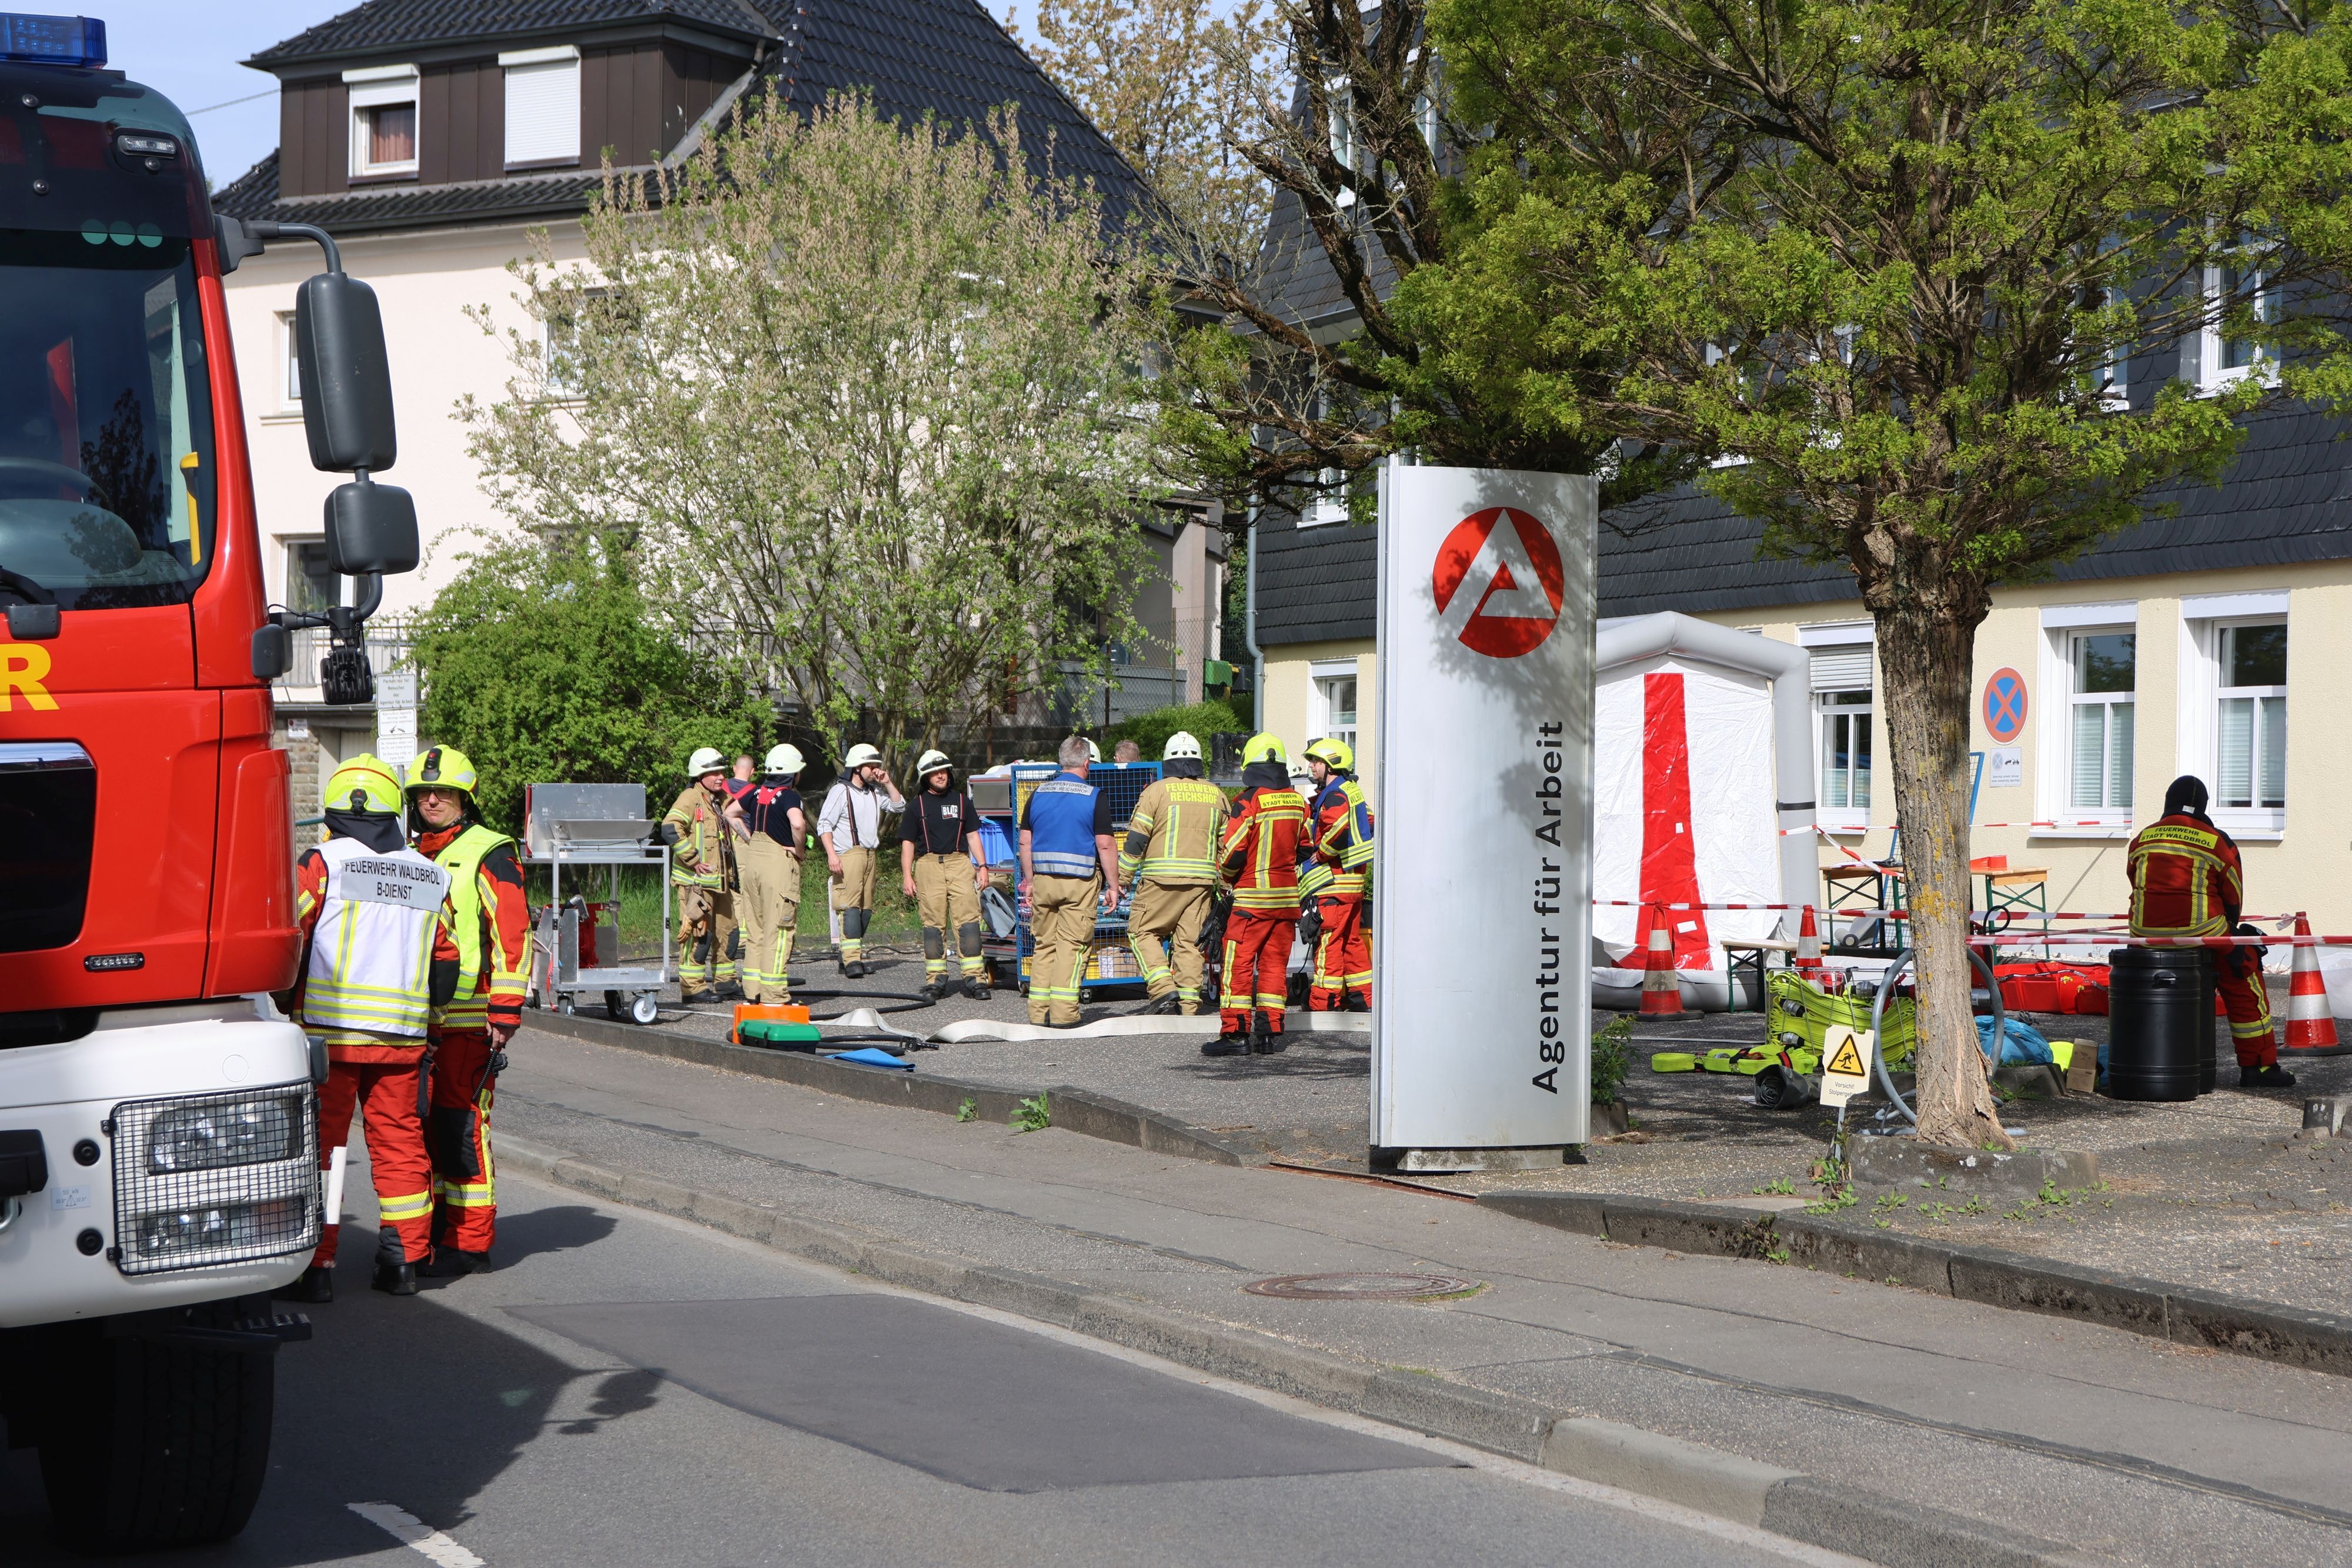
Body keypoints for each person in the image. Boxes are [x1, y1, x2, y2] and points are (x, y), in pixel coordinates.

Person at [278, 755, 452, 1302]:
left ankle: (317, 1268)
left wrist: (285, 1002)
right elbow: (445, 961)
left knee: (324, 1151)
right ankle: (402, 1263)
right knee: (400, 1146)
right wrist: (432, 1019)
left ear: (336, 809)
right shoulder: (429, 871)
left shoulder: (321, 862)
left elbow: (291, 938)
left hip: (328, 1040)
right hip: (402, 1037)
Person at [406, 745, 532, 1276]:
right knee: (425, 1127)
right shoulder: (411, 854)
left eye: (443, 792)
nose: (432, 799)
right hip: (418, 1022)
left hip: (468, 1019)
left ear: (464, 798)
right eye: (423, 793)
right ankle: (438, 1228)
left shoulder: (490, 851)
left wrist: (504, 1013)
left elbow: (513, 934)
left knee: (462, 1126)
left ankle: (470, 1241)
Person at [2128, 775, 2296, 1088]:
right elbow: (2233, 898)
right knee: (2244, 973)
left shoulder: (2142, 838)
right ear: (2204, 807)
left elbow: (2134, 880)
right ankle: (2258, 1067)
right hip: (2203, 932)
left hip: (2143, 934)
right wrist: (2232, 934)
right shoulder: (2217, 841)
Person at [1211, 733, 1309, 1056]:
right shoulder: (1299, 802)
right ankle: (1268, 1034)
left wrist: (1225, 879)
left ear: (1250, 765)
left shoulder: (1248, 801)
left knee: (1237, 965)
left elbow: (1233, 852)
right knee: (1273, 967)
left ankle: (1236, 1035)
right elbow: (1305, 847)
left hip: (1252, 902)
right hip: (1286, 902)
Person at [1119, 730, 1227, 1015]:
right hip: (1202, 885)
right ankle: (1190, 1005)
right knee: (1190, 943)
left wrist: (1121, 879)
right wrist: (1226, 884)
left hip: (1160, 882)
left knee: (1141, 931)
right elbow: (1227, 846)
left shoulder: (1155, 791)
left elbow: (1136, 841)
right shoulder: (1216, 795)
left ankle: (1163, 988)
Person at [1018, 735, 1120, 1027]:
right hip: (1079, 883)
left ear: (1061, 761)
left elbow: (1025, 842)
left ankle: (1038, 1013)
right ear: (1087, 763)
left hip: (1044, 882)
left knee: (1044, 944)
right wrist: (1113, 887)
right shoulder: (1094, 796)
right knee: (1072, 946)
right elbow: (1105, 846)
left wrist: (1030, 881)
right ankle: (1064, 1015)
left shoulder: (1037, 794)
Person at [900, 748, 991, 1002]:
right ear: (925, 777)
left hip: (959, 863)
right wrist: (908, 875)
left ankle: (975, 978)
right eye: (934, 773)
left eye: (943, 771)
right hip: (928, 865)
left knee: (969, 923)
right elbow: (907, 843)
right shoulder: (916, 806)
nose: (940, 776)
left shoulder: (963, 801)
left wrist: (982, 866)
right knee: (933, 926)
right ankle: (936, 979)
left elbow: (973, 835)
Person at [663, 747, 743, 1004]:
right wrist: (694, 860)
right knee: (699, 935)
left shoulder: (721, 799)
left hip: (721, 883)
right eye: (714, 772)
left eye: (722, 771)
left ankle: (726, 982)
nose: (721, 776)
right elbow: (670, 828)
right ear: (700, 775)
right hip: (696, 886)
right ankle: (693, 988)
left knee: (729, 934)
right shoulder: (690, 797)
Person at [1302, 737, 1375, 1011]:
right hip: (1353, 883)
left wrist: (1321, 853)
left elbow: (1340, 826)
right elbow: (1368, 820)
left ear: (1331, 764)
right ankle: (1363, 999)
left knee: (1329, 944)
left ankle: (1323, 1004)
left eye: (1316, 762)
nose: (1311, 766)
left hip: (1334, 884)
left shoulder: (1334, 795)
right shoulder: (1351, 790)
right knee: (1351, 942)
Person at [817, 743, 902, 978]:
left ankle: (848, 957)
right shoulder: (840, 792)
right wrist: (832, 855)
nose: (875, 770)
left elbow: (899, 805)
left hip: (870, 855)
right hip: (849, 855)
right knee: (850, 909)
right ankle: (853, 960)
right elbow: (824, 824)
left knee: (865, 911)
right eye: (870, 766)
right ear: (857, 767)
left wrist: (887, 782)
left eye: (876, 766)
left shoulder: (874, 792)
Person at [733, 744, 807, 1005]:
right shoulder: (789, 796)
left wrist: (749, 837)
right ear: (792, 773)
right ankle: (774, 995)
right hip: (777, 865)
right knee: (779, 930)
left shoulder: (755, 792)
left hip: (753, 862)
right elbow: (798, 823)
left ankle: (753, 991)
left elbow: (730, 813)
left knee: (756, 930)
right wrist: (799, 850)